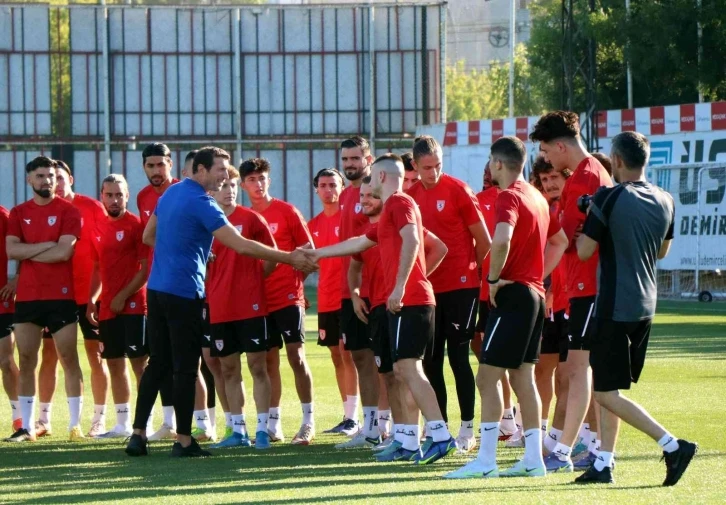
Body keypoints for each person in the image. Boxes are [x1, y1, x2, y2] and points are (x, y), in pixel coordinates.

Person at [124, 146, 316, 458]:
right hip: (183, 293)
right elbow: (240, 245)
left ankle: (137, 435)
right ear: (199, 170)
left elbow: (149, 236)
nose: (225, 175)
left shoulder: (171, 194)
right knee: (185, 367)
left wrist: (185, 247)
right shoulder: (203, 202)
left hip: (157, 291)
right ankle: (184, 441)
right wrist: (290, 257)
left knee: (158, 363)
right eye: (219, 169)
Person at [302, 153, 457, 465]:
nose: (367, 183)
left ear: (383, 178)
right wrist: (317, 253)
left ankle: (441, 436)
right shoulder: (389, 212)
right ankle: (409, 441)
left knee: (408, 369)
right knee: (401, 371)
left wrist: (401, 284)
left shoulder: (399, 203)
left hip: (410, 300)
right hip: (404, 300)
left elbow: (413, 239)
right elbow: (358, 243)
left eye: (371, 178)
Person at [574, 131, 697, 485]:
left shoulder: (609, 197)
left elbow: (584, 250)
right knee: (611, 388)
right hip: (646, 304)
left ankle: (672, 445)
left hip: (614, 304)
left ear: (617, 161)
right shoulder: (665, 198)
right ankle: (604, 463)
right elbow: (662, 252)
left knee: (604, 392)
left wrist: (591, 215)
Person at [445, 136, 568, 479]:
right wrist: (537, 277)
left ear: (497, 163)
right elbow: (559, 241)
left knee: (487, 377)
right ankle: (533, 459)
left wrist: (494, 279)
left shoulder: (510, 196)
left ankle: (486, 461)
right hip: (532, 295)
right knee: (522, 378)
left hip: (513, 296)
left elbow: (501, 239)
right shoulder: (537, 197)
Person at [530, 111, 613, 473]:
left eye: (547, 151)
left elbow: (567, 240)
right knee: (579, 372)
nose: (546, 158)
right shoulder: (589, 172)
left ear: (561, 146)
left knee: (580, 373)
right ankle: (585, 448)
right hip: (583, 286)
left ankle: (569, 450)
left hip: (589, 286)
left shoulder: (586, 178)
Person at [408, 136, 491, 453]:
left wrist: (472, 273)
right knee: (430, 361)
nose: (433, 172)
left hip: (461, 287)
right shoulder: (410, 197)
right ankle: (438, 429)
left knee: (459, 357)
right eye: (427, 167)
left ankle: (468, 429)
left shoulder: (458, 190)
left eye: (438, 165)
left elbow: (482, 240)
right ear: (415, 166)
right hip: (428, 290)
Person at [4, 156, 85, 443]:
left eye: (50, 175)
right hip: (28, 296)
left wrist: (30, 250)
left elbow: (64, 253)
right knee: (26, 359)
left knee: (69, 358)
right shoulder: (18, 212)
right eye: (40, 176)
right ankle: (26, 427)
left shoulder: (69, 211)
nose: (46, 181)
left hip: (61, 297)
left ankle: (75, 426)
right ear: (30, 180)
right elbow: (11, 250)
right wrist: (45, 246)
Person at [239, 157, 316, 446]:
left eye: (262, 179)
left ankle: (308, 421)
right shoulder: (244, 217)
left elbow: (309, 251)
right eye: (251, 180)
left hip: (288, 296)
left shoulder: (287, 212)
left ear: (269, 180)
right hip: (259, 301)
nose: (257, 185)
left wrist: (298, 276)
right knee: (267, 361)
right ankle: (273, 423)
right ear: (244, 185)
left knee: (296, 356)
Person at [34, 160, 110, 438]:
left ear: (71, 179)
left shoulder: (91, 207)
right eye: (50, 178)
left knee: (96, 356)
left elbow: (107, 249)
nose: (55, 183)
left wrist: (99, 293)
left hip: (90, 294)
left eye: (60, 178)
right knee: (50, 356)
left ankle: (98, 419)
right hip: (54, 296)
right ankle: (43, 420)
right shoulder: (42, 209)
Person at [206, 166, 276, 450]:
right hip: (220, 307)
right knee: (228, 370)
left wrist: (254, 282)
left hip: (251, 306)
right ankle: (238, 431)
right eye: (223, 185)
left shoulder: (252, 219)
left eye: (233, 185)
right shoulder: (206, 221)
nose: (229, 190)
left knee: (258, 367)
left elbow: (271, 255)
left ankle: (262, 429)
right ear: (211, 189)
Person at [87, 174, 149, 438]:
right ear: (102, 195)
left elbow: (145, 269)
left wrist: (124, 295)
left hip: (134, 306)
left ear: (127, 195)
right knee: (113, 363)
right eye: (109, 194)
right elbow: (99, 267)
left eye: (119, 195)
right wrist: (92, 299)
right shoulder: (98, 226)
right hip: (108, 307)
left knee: (140, 364)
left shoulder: (137, 226)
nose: (114, 200)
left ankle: (144, 423)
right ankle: (122, 424)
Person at [307, 168, 359, 434]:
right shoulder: (312, 226)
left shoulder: (349, 217)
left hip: (349, 296)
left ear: (342, 187)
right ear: (316, 189)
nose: (329, 190)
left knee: (349, 353)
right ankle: (347, 414)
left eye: (333, 184)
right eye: (323, 185)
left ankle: (355, 418)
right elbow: (305, 262)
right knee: (337, 356)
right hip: (326, 299)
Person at [136, 143, 180, 441]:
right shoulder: (141, 197)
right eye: (150, 166)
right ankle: (168, 422)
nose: (155, 171)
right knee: (160, 356)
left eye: (160, 165)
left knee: (194, 358)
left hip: (185, 283)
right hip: (157, 284)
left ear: (170, 164)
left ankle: (207, 422)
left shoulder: (181, 191)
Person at [336, 136, 377, 438]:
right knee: (361, 357)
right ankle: (371, 424)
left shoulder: (376, 191)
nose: (350, 164)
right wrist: (352, 291)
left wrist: (362, 290)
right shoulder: (346, 196)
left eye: (355, 158)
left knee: (383, 361)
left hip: (376, 289)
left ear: (368, 159)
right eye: (345, 159)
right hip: (350, 289)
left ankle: (387, 426)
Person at [0, 205, 20, 435]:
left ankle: (19, 418)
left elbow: (22, 247)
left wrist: (17, 279)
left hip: (2, 300)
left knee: (6, 361)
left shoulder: (5, 216)